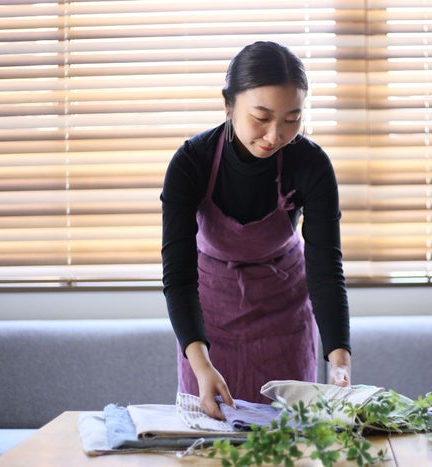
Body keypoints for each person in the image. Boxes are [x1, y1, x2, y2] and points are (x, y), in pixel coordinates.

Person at [160, 41, 351, 420]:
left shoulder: (311, 164)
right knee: (210, 445)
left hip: (283, 313)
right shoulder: (190, 163)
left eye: (292, 119)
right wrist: (201, 364)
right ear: (228, 105)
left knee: (289, 441)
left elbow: (326, 268)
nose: (275, 135)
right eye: (261, 117)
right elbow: (179, 276)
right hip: (208, 318)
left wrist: (340, 360)